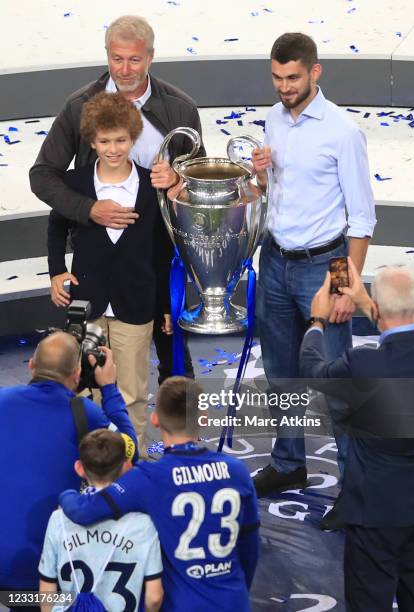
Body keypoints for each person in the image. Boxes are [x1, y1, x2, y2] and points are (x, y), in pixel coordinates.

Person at [29, 14, 203, 383]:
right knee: (90, 373)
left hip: (158, 257)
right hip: (99, 258)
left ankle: (183, 438)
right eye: (117, 58)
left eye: (135, 59)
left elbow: (197, 187)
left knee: (175, 359)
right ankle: (95, 440)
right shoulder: (79, 106)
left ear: (151, 57)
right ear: (107, 55)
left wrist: (177, 178)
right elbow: (43, 175)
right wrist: (89, 209)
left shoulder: (180, 108)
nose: (125, 69)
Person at [251, 32, 376, 499]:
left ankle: (355, 488)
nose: (284, 86)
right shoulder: (273, 120)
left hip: (323, 267)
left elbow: (362, 217)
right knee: (281, 373)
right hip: (276, 261)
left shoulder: (342, 132)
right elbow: (271, 195)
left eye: (293, 77)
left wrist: (344, 285)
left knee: (336, 379)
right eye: (277, 77)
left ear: (314, 72)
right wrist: (260, 175)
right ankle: (288, 464)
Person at [300, 260, 414, 612]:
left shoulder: (361, 364)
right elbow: (400, 338)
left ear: (376, 306)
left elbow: (315, 372)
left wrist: (317, 321)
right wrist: (364, 301)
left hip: (373, 510)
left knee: (368, 600)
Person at [59, 377, 260, 612]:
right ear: (204, 418)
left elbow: (84, 511)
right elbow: (250, 549)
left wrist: (65, 493)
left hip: (180, 604)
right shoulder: (237, 471)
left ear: (155, 419)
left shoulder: (148, 478)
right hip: (232, 601)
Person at [47, 91, 172, 457]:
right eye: (104, 141)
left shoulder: (152, 187)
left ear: (133, 138)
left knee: (131, 390)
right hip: (87, 302)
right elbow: (56, 225)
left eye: (120, 140)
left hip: (137, 303)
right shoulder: (75, 184)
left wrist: (163, 304)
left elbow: (162, 251)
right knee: (86, 390)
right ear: (91, 141)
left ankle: (132, 462)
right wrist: (57, 272)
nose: (113, 148)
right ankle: (89, 461)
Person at [0, 331, 136, 599]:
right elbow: (128, 451)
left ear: (31, 364)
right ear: (77, 374)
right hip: (48, 569)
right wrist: (108, 387)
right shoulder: (82, 411)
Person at [39, 429, 163, 612]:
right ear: (127, 466)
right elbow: (154, 597)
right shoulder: (144, 524)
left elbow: (47, 588)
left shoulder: (58, 519)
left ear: (79, 468)